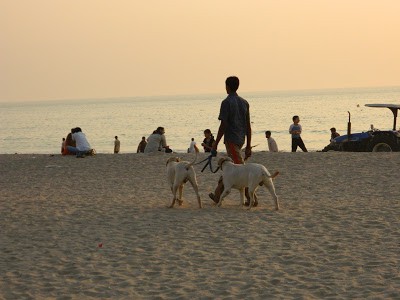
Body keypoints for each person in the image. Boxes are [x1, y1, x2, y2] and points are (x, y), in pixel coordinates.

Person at [209, 76, 255, 206]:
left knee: (240, 169)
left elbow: (223, 125)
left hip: (231, 140)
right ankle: (218, 194)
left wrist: (215, 144)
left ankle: (250, 198)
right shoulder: (244, 102)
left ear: (227, 87)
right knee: (231, 168)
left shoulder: (226, 102)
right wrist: (248, 145)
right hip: (241, 140)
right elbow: (248, 126)